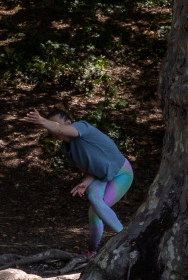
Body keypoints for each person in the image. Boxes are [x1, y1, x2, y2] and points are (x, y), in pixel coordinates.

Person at [24, 108, 133, 256]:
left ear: (68, 122)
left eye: (53, 123)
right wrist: (85, 183)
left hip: (121, 173)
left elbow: (60, 128)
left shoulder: (82, 127)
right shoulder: (67, 149)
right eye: (49, 125)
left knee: (95, 202)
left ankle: (126, 238)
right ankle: (92, 251)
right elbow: (89, 171)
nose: (51, 127)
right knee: (93, 211)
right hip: (101, 177)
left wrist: (41, 120)